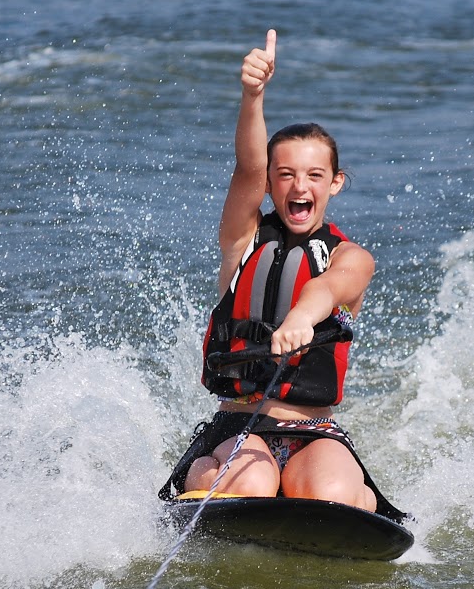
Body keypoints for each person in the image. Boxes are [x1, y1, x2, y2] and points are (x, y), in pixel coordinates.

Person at [160, 30, 404, 520]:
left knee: (329, 494)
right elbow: (246, 169)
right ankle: (207, 483)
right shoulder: (243, 242)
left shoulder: (352, 257)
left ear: (334, 183)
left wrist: (301, 319)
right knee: (253, 479)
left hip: (313, 431)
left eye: (314, 175)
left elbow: (329, 287)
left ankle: (353, 504)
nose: (299, 186)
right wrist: (253, 96)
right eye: (286, 174)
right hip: (238, 430)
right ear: (272, 183)